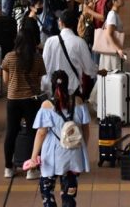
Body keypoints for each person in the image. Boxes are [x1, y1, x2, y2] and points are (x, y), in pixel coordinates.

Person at [29, 70, 91, 207]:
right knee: (69, 194)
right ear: (68, 84)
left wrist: (34, 157)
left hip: (52, 154)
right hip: (73, 153)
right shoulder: (78, 102)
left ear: (52, 85)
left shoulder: (47, 105)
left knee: (47, 191)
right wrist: (82, 147)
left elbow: (41, 133)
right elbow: (86, 129)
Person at [2, 29, 46, 179]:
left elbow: (5, 80)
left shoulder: (9, 57)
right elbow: (40, 80)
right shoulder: (37, 58)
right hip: (31, 100)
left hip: (13, 100)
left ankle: (8, 167)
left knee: (11, 133)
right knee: (34, 133)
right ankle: (31, 169)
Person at [41, 9, 97, 96]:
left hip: (52, 89)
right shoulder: (80, 42)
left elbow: (44, 65)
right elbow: (89, 69)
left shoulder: (50, 41)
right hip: (72, 89)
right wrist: (98, 70)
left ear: (60, 22)